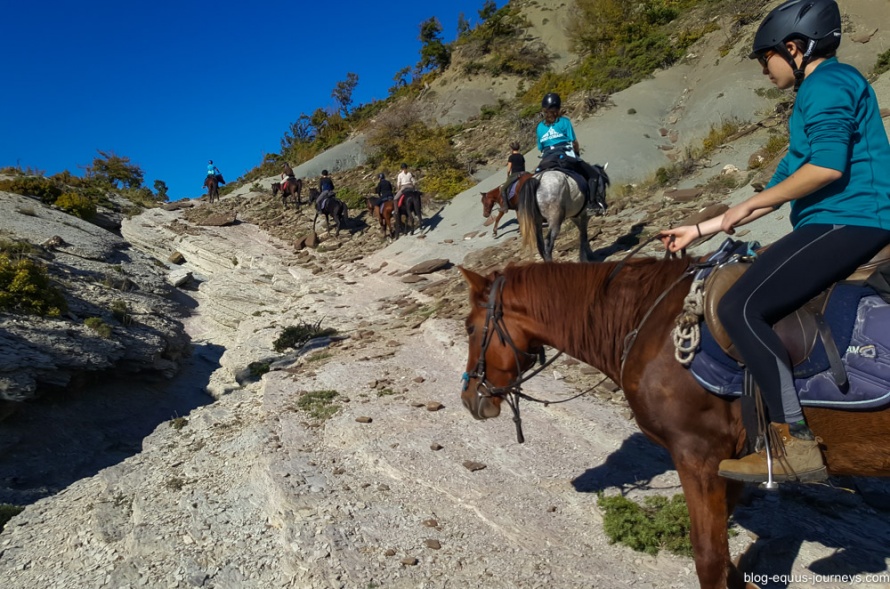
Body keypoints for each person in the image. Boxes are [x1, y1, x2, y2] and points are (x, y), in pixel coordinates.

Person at [659, 0, 890, 483]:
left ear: (793, 47)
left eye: (766, 57)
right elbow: (779, 187)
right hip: (832, 221)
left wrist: (742, 209)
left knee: (740, 307)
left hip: (851, 220)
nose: (765, 68)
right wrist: (700, 229)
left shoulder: (829, 82)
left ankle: (793, 444)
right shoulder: (815, 95)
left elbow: (827, 168)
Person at [535, 93, 605, 213]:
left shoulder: (540, 127)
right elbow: (574, 142)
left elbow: (540, 147)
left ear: (544, 109)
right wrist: (577, 154)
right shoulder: (564, 121)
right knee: (593, 174)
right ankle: (593, 205)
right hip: (564, 155)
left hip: (546, 159)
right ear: (558, 107)